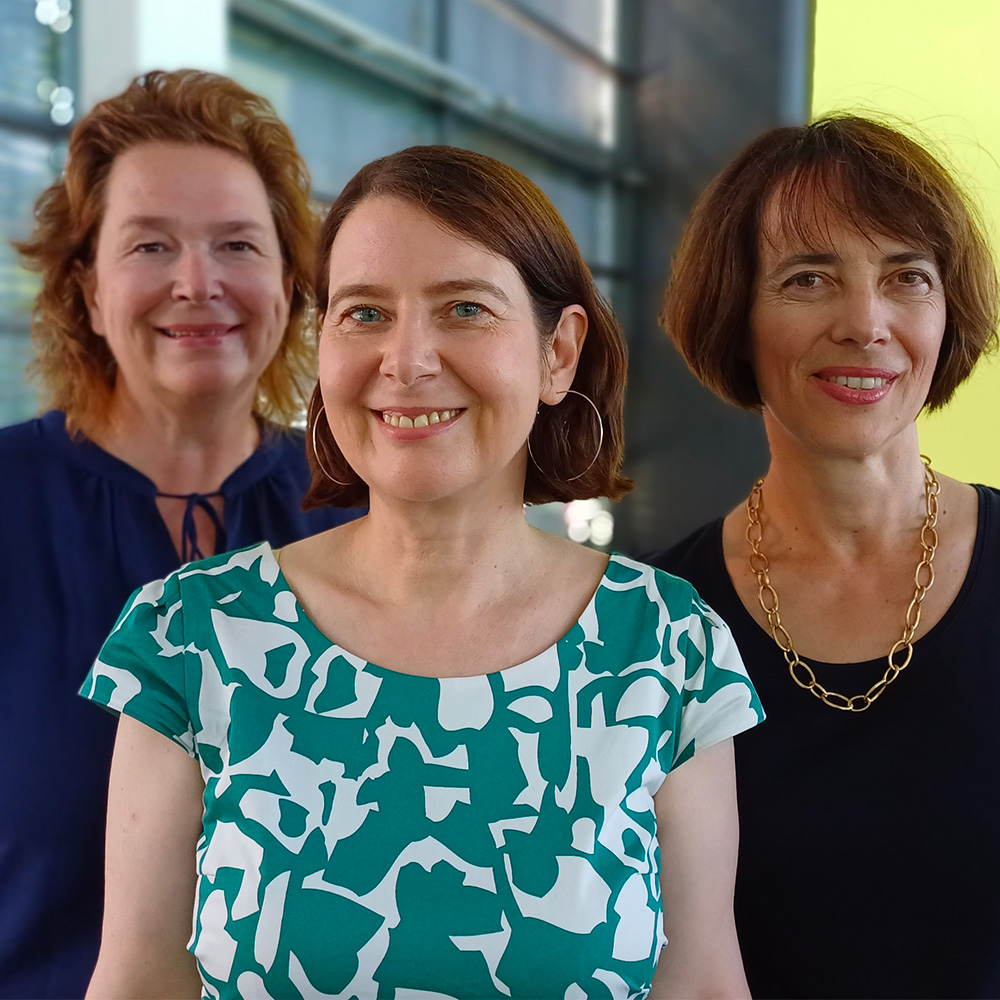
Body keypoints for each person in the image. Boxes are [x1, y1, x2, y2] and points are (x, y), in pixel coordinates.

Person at [81, 145, 764, 999]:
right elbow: (139, 980)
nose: (406, 362)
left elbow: (702, 982)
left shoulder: (665, 645)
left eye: (465, 309)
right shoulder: (190, 636)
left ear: (559, 354)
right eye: (364, 314)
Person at [1, 70, 358, 998]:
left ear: (290, 279)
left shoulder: (367, 512)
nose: (196, 284)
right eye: (150, 244)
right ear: (84, 287)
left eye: (236, 244)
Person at [647, 115, 1000, 999]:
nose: (866, 323)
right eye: (809, 278)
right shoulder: (655, 624)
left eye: (906, 277)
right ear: (736, 315)